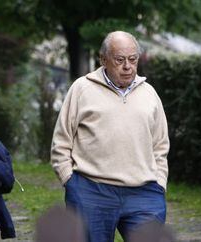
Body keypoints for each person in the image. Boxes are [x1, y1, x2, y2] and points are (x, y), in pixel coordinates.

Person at [50, 31, 169, 242]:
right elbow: (62, 141)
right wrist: (70, 180)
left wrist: (160, 182)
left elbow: (160, 144)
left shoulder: (149, 93)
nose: (127, 66)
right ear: (103, 59)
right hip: (91, 190)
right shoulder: (81, 89)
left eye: (133, 60)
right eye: (120, 60)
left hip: (144, 192)